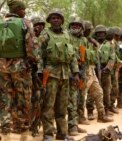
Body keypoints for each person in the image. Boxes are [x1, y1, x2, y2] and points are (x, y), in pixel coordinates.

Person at [0, 0, 34, 140]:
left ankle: (5, 133)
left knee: (5, 99)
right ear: (18, 10)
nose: (25, 12)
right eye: (23, 9)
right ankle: (23, 133)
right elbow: (30, 47)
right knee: (23, 98)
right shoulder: (25, 23)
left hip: (2, 67)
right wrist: (32, 61)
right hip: (20, 66)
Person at [37, 8, 79, 141]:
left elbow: (73, 56)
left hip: (65, 74)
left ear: (62, 20)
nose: (55, 20)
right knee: (48, 105)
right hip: (50, 74)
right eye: (53, 18)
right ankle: (48, 135)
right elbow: (39, 55)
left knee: (63, 106)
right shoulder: (45, 34)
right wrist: (39, 72)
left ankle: (62, 133)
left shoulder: (67, 35)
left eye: (58, 18)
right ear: (49, 21)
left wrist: (76, 72)